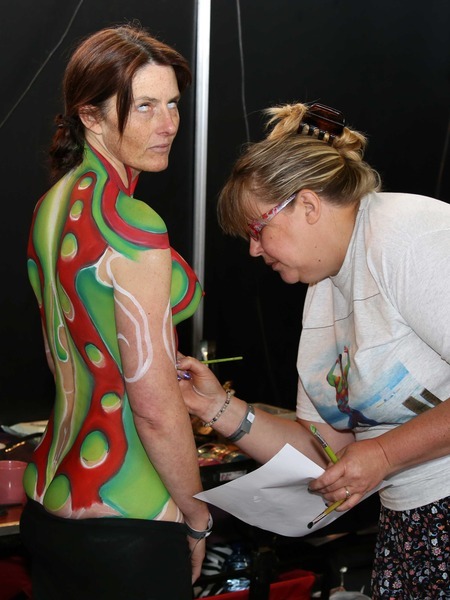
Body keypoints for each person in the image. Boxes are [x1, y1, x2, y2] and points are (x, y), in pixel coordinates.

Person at [177, 102, 450, 598]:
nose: (253, 250)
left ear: (307, 205)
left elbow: (368, 456)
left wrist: (383, 454)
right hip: (410, 523)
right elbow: (326, 452)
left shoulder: (409, 236)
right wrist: (215, 407)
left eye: (257, 230)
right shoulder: (323, 289)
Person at [22, 23, 211, 600]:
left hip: (48, 503)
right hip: (128, 515)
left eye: (173, 104)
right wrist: (198, 515)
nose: (168, 124)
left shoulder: (49, 207)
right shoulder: (132, 224)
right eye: (145, 106)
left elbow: (62, 358)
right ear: (90, 115)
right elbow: (153, 407)